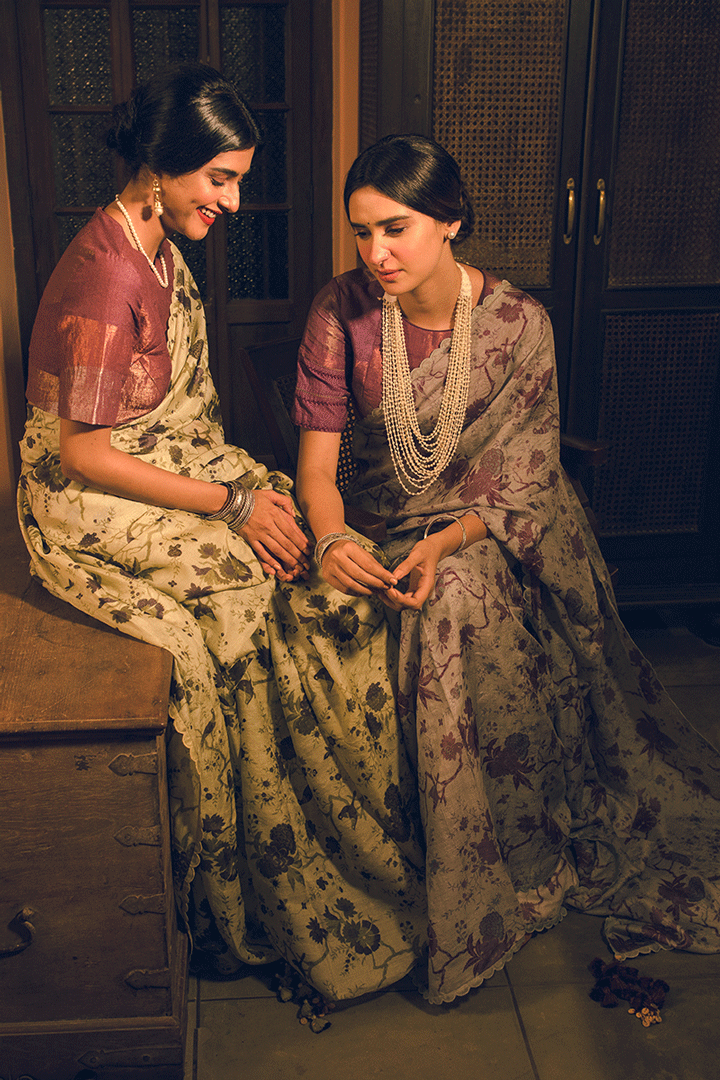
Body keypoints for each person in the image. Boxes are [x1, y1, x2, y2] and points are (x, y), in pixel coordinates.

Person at [18, 66, 430, 1005]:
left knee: (293, 514)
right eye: (219, 179)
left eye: (240, 178)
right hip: (84, 488)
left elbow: (169, 419)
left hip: (146, 450)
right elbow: (82, 453)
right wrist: (225, 505)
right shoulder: (102, 273)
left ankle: (346, 819)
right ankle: (250, 874)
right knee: (246, 585)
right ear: (162, 167)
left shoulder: (158, 242)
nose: (234, 201)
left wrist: (247, 492)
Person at [292, 133, 720, 1005]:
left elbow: (522, 478)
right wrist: (333, 541)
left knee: (452, 600)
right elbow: (316, 467)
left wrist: (445, 544)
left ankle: (503, 880)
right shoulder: (340, 312)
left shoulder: (522, 324)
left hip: (497, 531)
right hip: (372, 525)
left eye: (396, 229)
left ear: (450, 222)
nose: (376, 254)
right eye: (362, 231)